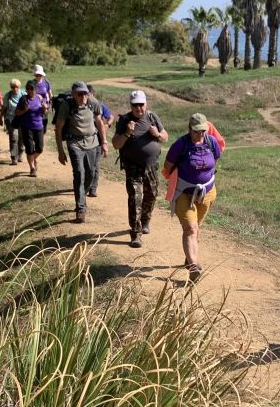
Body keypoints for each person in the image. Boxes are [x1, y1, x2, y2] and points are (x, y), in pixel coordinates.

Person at [162, 113, 221, 284]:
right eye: (196, 131)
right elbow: (167, 166)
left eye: (203, 131)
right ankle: (194, 266)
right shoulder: (180, 145)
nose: (200, 134)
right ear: (190, 129)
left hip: (207, 193)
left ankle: (189, 258)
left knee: (196, 227)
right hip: (184, 193)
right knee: (190, 228)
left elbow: (216, 159)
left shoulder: (211, 142)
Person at [112, 90, 168, 248]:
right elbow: (116, 144)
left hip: (151, 165)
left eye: (141, 104)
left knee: (151, 194)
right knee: (135, 198)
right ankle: (135, 232)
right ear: (131, 105)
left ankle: (145, 221)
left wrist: (157, 134)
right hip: (132, 166)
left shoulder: (152, 117)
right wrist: (127, 133)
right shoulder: (125, 120)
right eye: (135, 105)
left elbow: (165, 137)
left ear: (145, 104)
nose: (138, 108)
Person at [54, 81, 107, 223]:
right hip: (75, 143)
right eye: (80, 94)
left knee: (90, 173)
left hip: (92, 142)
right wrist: (60, 151)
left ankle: (82, 196)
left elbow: (99, 122)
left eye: (85, 93)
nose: (83, 96)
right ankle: (80, 208)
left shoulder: (93, 102)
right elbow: (58, 128)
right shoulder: (66, 105)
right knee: (79, 173)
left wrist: (104, 142)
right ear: (73, 94)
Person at [15, 80, 47, 177]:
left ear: (36, 89)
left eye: (31, 89)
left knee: (40, 148)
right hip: (26, 127)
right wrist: (25, 110)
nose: (29, 90)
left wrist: (45, 108)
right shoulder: (23, 99)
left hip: (39, 126)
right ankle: (32, 168)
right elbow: (17, 113)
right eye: (27, 89)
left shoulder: (40, 98)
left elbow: (45, 113)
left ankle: (33, 158)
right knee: (29, 149)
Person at [1, 79, 25, 165]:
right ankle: (14, 157)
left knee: (21, 137)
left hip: (22, 119)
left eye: (17, 87)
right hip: (10, 119)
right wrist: (0, 118)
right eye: (13, 87)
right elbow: (4, 108)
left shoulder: (23, 95)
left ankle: (20, 153)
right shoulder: (8, 95)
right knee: (14, 138)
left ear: (19, 87)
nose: (15, 89)